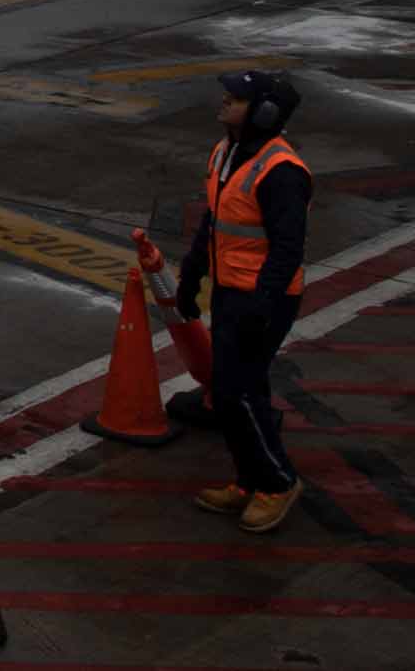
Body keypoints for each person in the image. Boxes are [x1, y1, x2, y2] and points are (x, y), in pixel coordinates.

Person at [174, 68, 310, 532]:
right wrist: (191, 278)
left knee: (236, 393)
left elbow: (288, 249)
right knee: (236, 392)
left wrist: (262, 304)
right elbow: (214, 224)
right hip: (231, 291)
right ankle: (250, 479)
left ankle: (278, 482)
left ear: (265, 113)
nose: (225, 101)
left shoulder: (281, 172)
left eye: (237, 98)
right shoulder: (226, 153)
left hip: (263, 300)